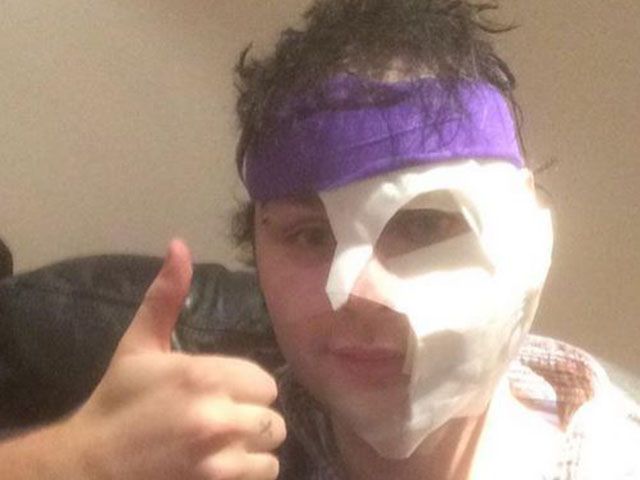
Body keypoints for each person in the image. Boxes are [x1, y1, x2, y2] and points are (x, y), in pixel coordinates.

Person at [0, 1, 638, 479]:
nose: (355, 292)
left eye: (424, 225)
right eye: (310, 235)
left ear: (529, 232)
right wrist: (69, 464)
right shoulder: (204, 446)